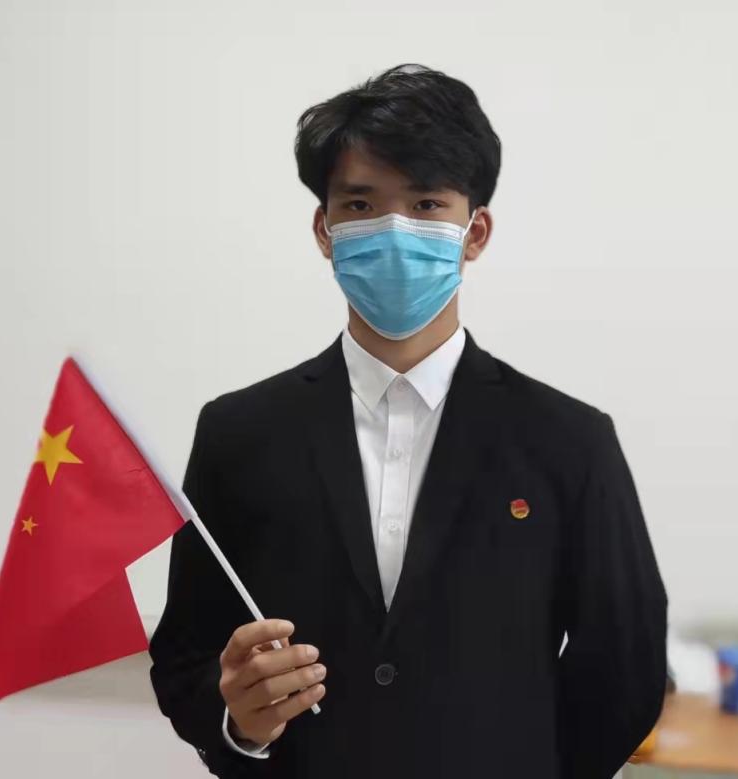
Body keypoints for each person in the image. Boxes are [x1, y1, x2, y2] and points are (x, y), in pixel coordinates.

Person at [149, 63, 668, 779]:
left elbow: (625, 666)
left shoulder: (570, 441)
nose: (394, 230)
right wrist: (240, 724)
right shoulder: (239, 434)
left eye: (426, 203)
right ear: (325, 229)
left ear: (474, 231)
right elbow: (186, 654)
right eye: (361, 204)